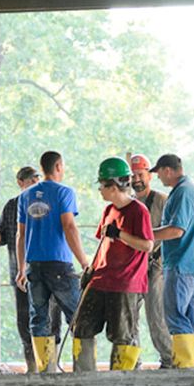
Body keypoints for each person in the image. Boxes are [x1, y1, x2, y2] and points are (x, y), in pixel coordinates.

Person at [72, 157, 154, 372]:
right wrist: (90, 269)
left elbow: (148, 245)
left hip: (125, 284)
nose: (100, 189)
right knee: (82, 327)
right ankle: (83, 380)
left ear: (113, 185)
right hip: (100, 280)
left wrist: (120, 234)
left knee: (122, 334)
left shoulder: (138, 211)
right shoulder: (109, 211)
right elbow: (103, 245)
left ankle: (120, 382)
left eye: (101, 184)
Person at [0, 165, 62, 372]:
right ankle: (32, 366)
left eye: (37, 180)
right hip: (21, 275)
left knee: (51, 316)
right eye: (30, 181)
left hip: (48, 270)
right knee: (25, 318)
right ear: (20, 183)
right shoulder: (12, 206)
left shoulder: (48, 203)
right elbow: (0, 239)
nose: (34, 184)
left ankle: (51, 365)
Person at [16, 150, 91, 372]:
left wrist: (21, 268)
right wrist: (85, 262)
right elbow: (69, 226)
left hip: (34, 266)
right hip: (59, 264)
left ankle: (45, 371)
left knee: (38, 318)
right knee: (79, 316)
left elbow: (21, 234)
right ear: (58, 166)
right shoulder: (64, 192)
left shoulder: (25, 196)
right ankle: (85, 371)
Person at [151, 154, 194, 368]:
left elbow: (176, 230)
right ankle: (190, 366)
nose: (158, 177)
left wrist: (146, 234)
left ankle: (184, 369)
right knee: (187, 316)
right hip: (191, 262)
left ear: (167, 170)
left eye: (158, 172)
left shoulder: (184, 192)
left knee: (175, 316)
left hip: (181, 261)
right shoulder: (190, 188)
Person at [128, 154, 172, 368]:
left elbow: (173, 232)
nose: (136, 179)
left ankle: (169, 359)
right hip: (132, 267)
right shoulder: (126, 203)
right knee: (129, 316)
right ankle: (132, 360)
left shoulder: (162, 201)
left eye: (140, 174)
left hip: (155, 265)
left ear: (149, 176)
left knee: (156, 315)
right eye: (133, 175)